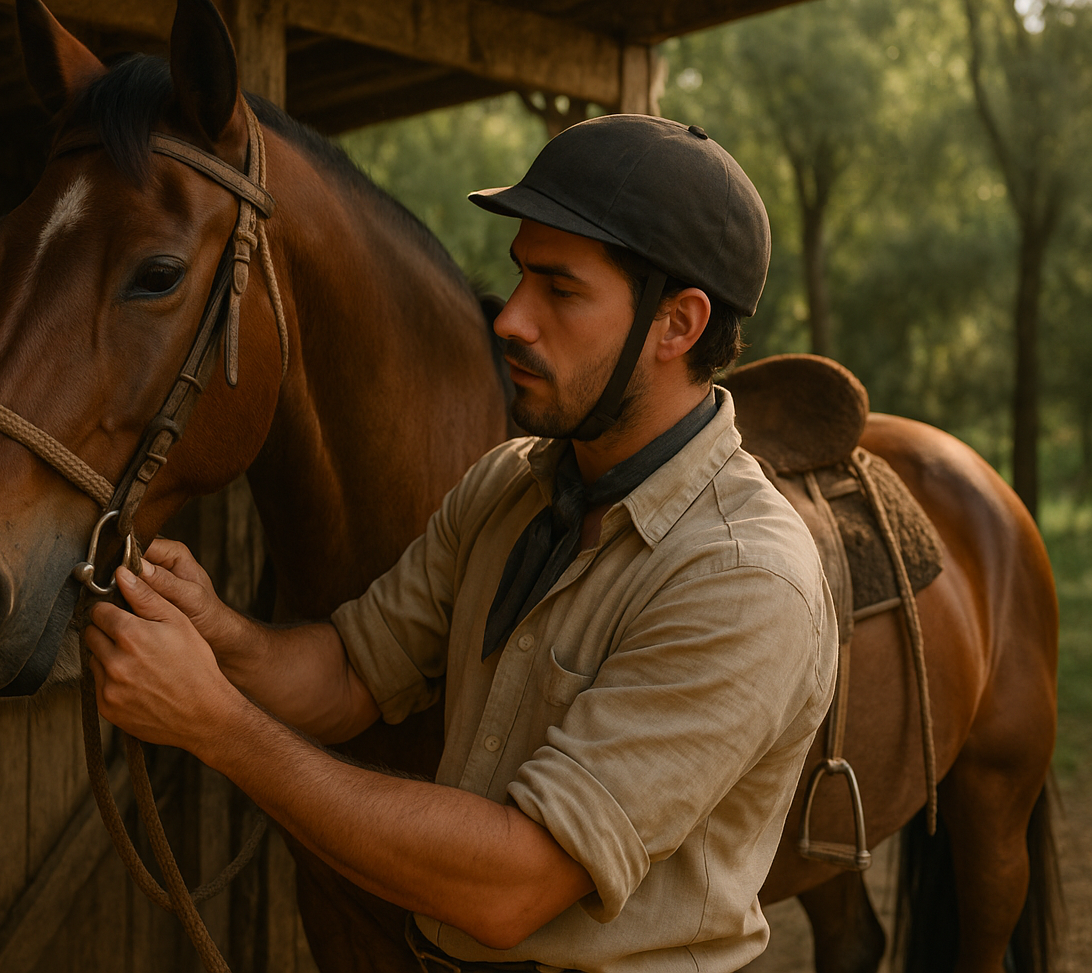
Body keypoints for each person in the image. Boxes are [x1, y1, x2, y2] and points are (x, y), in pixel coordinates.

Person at [82, 114, 838, 973]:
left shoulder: (743, 577)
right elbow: (352, 674)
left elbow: (511, 886)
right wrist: (222, 636)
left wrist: (215, 724)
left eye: (559, 289)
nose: (510, 318)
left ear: (678, 324)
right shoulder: (508, 486)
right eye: (519, 277)